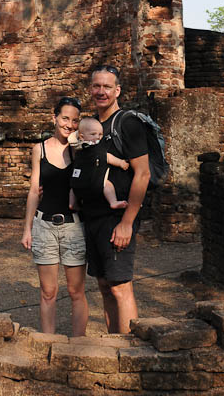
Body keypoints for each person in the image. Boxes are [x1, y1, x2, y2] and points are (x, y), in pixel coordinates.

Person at [73, 65, 150, 334]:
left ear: (117, 90)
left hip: (118, 217)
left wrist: (127, 223)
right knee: (104, 284)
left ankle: (130, 355)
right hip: (93, 217)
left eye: (107, 87)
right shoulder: (92, 127)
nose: (101, 91)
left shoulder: (128, 123)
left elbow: (142, 174)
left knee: (120, 286)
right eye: (96, 86)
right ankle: (114, 348)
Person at [21, 97, 88, 335]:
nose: (69, 124)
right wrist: (27, 229)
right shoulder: (39, 149)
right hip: (44, 225)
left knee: (75, 291)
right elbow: (33, 190)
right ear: (55, 118)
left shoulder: (81, 148)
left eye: (74, 120)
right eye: (65, 118)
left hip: (74, 227)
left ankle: (78, 344)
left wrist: (77, 146)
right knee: (48, 292)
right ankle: (48, 343)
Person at [69, 117, 129, 212]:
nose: (97, 137)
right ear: (82, 136)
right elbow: (107, 157)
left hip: (79, 183)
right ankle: (113, 202)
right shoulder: (96, 148)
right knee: (107, 184)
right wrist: (121, 163)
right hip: (94, 183)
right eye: (93, 134)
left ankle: (72, 203)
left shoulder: (78, 148)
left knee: (73, 187)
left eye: (100, 134)